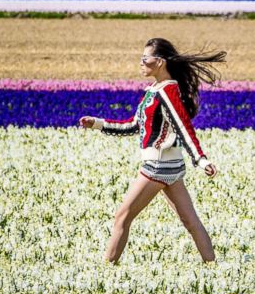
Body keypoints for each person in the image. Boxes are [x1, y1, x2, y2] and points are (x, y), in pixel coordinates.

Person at [79, 38, 226, 265]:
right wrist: (97, 123)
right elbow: (132, 126)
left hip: (156, 167)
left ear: (159, 62)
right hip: (171, 167)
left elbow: (183, 126)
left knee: (122, 217)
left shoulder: (166, 92)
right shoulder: (155, 90)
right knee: (190, 221)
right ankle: (213, 266)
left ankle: (106, 269)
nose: (141, 62)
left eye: (144, 58)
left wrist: (201, 160)